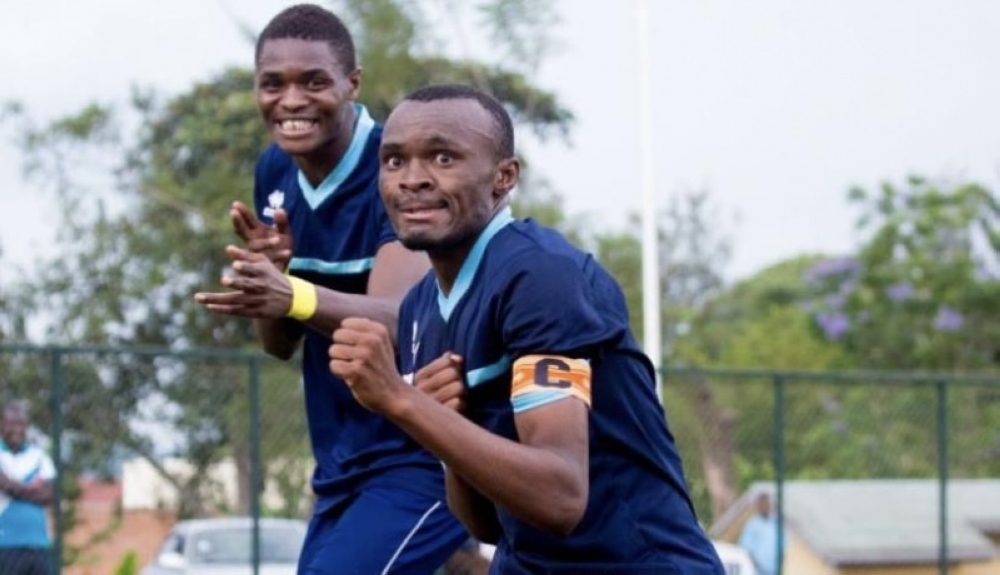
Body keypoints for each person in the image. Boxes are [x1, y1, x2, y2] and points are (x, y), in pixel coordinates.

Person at [328, 83, 725, 574]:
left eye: (443, 158)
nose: (413, 179)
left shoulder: (540, 277)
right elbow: (487, 526)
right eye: (394, 161)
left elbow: (560, 498)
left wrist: (399, 400)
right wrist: (440, 424)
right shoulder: (420, 310)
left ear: (504, 177)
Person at [193, 5, 467, 573]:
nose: (291, 101)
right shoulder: (275, 170)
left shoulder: (396, 166)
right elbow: (279, 344)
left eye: (313, 81)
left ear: (352, 83)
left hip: (425, 453)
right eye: (273, 84)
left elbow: (402, 320)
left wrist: (292, 293)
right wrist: (273, 282)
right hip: (341, 462)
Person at [0, 402, 55, 575]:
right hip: (6, 544)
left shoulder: (39, 456)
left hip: (39, 544)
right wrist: (33, 488)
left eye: (21, 424)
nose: (17, 429)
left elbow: (48, 495)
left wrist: (13, 486)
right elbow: (4, 484)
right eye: (11, 423)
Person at [738, 492, 783, 575]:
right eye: (762, 504)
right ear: (758, 506)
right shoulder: (752, 524)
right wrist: (757, 566)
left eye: (766, 503)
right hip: (757, 571)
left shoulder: (776, 524)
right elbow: (746, 549)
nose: (765, 506)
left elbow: (782, 548)